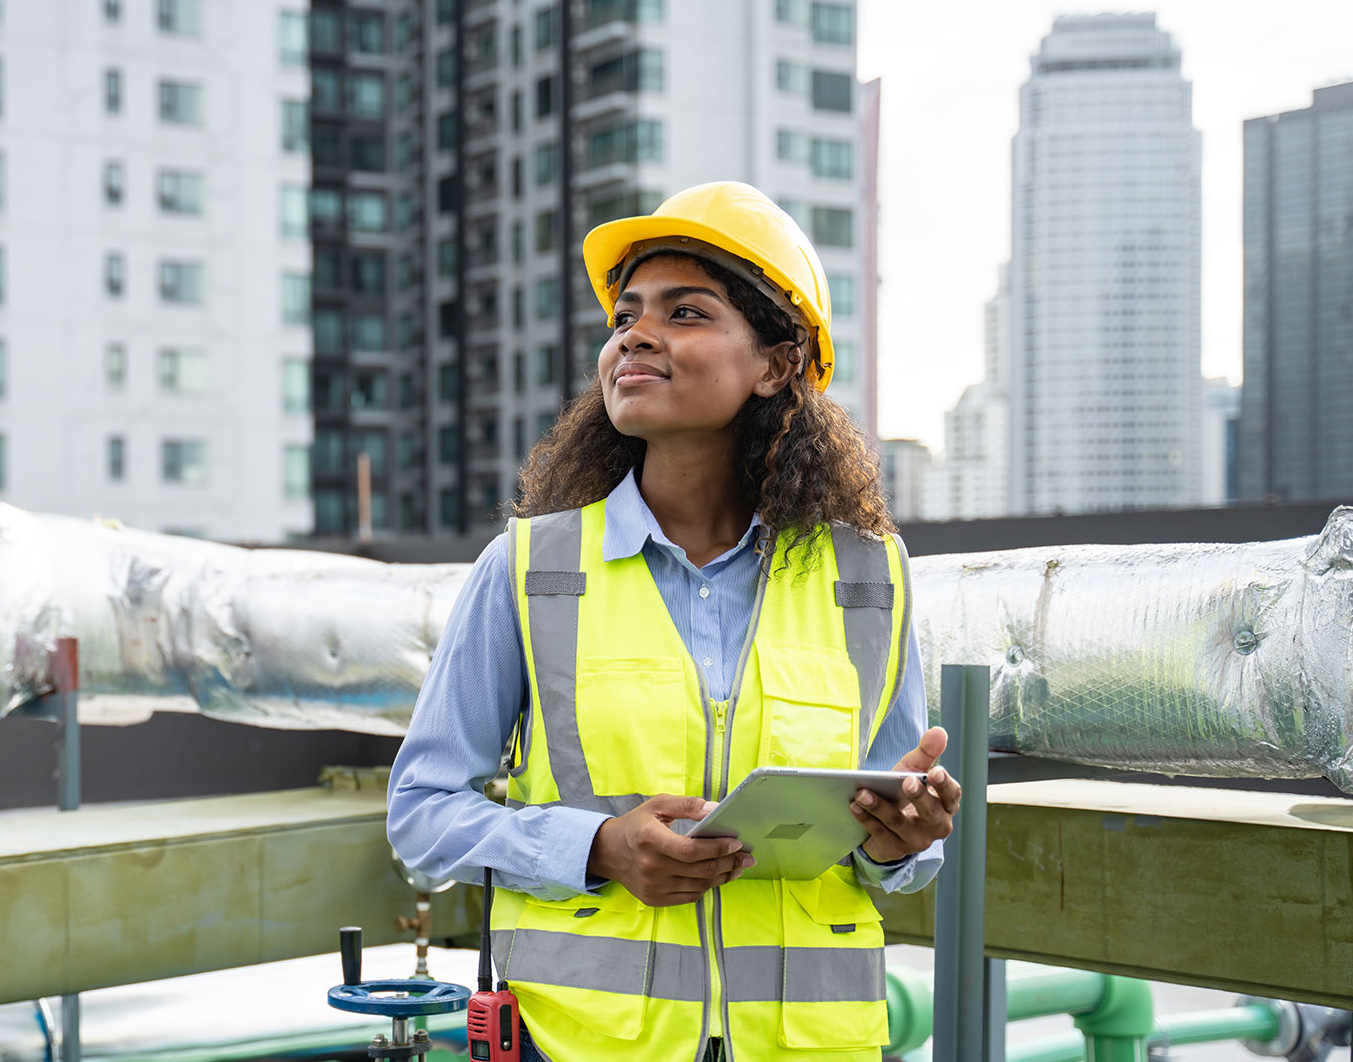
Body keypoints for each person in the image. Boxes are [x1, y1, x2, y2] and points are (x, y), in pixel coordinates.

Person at [386, 182, 963, 1062]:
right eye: (626, 316)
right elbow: (421, 812)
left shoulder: (869, 576)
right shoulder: (532, 569)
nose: (635, 335)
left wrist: (902, 838)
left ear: (776, 365)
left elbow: (889, 847)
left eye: (685, 311)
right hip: (582, 1044)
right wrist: (597, 847)